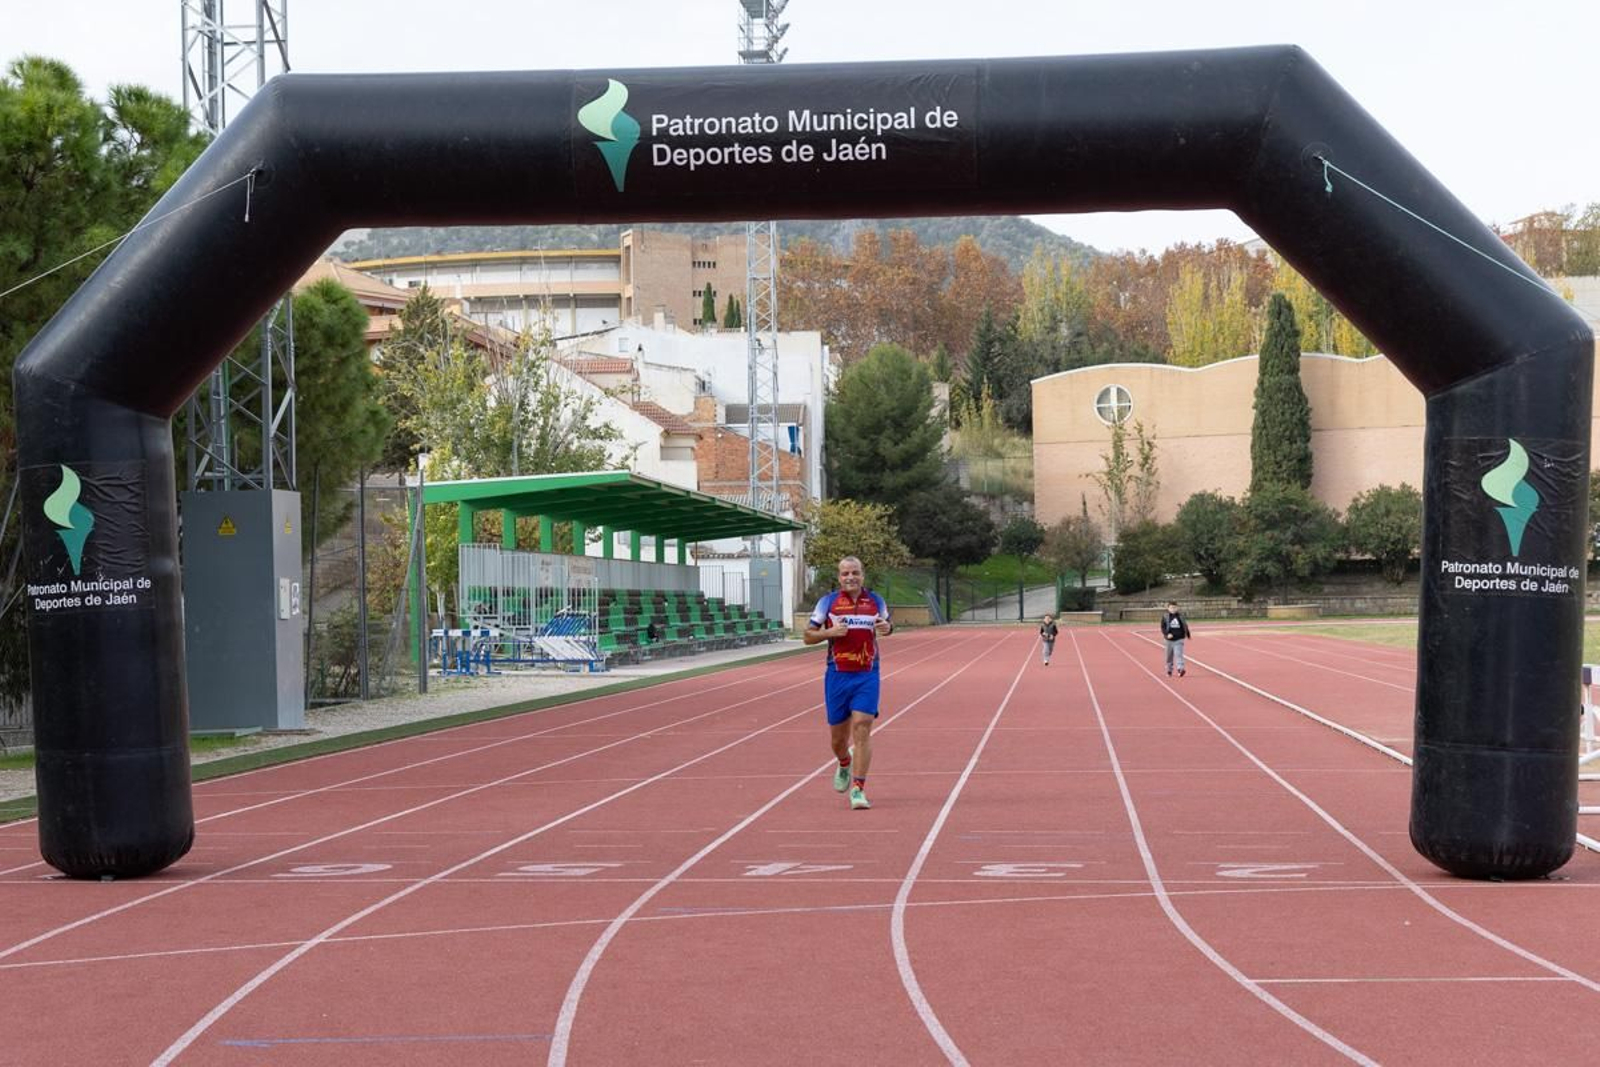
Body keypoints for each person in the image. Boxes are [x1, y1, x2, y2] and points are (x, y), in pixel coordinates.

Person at [804, 556, 892, 810]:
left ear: (862, 575)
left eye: (855, 572)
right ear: (839, 577)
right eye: (845, 574)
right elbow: (807, 636)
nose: (850, 577)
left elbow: (887, 624)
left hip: (867, 673)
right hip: (838, 675)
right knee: (837, 740)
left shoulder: (875, 600)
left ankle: (858, 789)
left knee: (863, 727)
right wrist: (828, 633)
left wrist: (887, 627)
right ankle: (844, 762)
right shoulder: (828, 602)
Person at [1161, 600, 1191, 677]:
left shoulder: (1180, 616)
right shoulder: (1165, 616)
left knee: (1179, 655)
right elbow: (1163, 627)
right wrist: (1167, 634)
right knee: (1169, 656)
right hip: (1169, 640)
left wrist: (1188, 634)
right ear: (1168, 608)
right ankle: (1169, 670)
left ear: (1177, 608)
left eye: (1174, 608)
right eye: (1171, 608)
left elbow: (1185, 625)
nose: (1173, 609)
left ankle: (1180, 669)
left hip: (1179, 639)